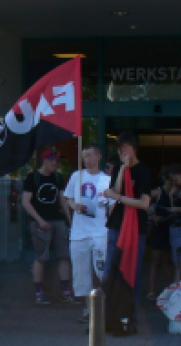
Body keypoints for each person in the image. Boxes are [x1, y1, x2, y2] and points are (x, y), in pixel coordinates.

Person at [103, 132, 152, 334]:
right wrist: (122, 168)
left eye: (125, 148)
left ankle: (130, 318)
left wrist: (120, 198)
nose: (121, 152)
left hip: (136, 229)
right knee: (110, 272)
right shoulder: (118, 169)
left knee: (133, 272)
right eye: (119, 149)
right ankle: (106, 316)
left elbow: (144, 203)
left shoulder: (143, 172)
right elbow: (114, 189)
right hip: (117, 226)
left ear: (134, 148)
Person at [63, 143, 111, 323]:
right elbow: (68, 197)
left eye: (90, 155)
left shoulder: (106, 179)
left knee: (101, 270)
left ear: (98, 157)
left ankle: (104, 307)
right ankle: (88, 309)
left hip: (99, 231)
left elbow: (111, 205)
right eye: (84, 156)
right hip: (79, 232)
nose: (87, 160)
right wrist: (74, 205)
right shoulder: (77, 176)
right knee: (81, 272)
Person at [22, 146, 73, 304]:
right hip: (40, 222)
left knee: (64, 256)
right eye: (54, 160)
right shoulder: (33, 178)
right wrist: (39, 219)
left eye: (58, 161)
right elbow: (25, 202)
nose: (56, 163)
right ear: (45, 160)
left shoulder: (57, 178)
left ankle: (65, 290)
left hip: (58, 220)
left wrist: (70, 221)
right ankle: (39, 292)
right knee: (41, 257)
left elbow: (62, 200)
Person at [147, 166, 173, 299]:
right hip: (158, 226)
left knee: (168, 259)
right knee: (156, 259)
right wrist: (152, 216)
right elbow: (145, 203)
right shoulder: (158, 192)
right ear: (164, 179)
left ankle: (172, 288)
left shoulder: (175, 192)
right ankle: (152, 290)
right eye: (169, 178)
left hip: (170, 226)